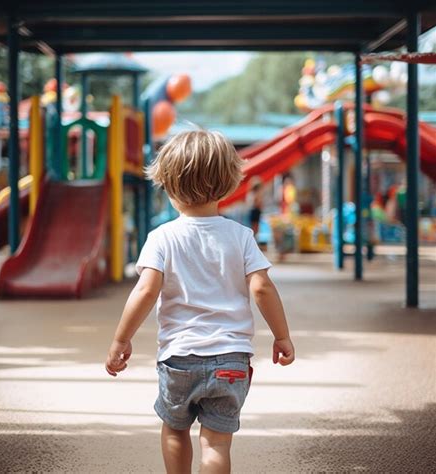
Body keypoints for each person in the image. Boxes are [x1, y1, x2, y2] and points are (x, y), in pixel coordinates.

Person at [105, 131, 295, 474]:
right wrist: (282, 336)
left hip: (180, 358)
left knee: (175, 430)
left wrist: (121, 339)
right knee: (217, 443)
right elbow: (262, 288)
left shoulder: (161, 238)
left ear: (169, 185)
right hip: (232, 361)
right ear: (227, 184)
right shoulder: (241, 236)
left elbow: (146, 291)